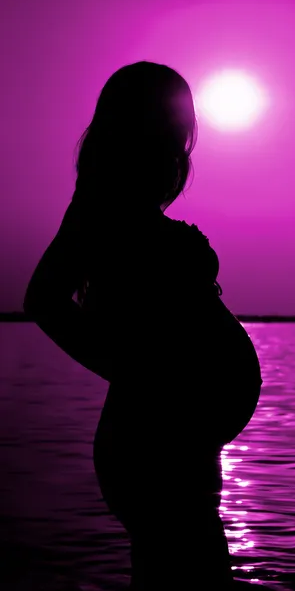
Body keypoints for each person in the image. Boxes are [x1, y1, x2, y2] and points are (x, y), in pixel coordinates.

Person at [23, 61, 263, 590]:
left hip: (180, 441)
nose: (182, 144)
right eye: (176, 128)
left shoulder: (125, 211)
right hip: (154, 443)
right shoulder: (100, 207)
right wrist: (137, 375)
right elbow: (43, 299)